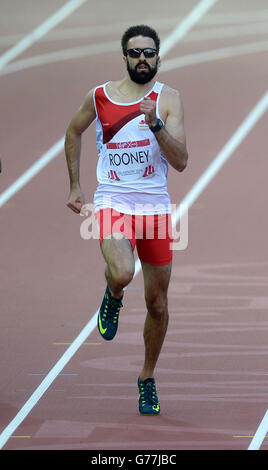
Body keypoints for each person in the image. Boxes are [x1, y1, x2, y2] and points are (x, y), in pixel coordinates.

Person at [65, 24, 188, 415]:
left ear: (157, 56)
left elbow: (181, 161)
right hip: (112, 200)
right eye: (135, 53)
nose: (142, 59)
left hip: (154, 209)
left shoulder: (168, 99)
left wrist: (155, 123)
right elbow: (72, 131)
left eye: (148, 53)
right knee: (121, 272)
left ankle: (147, 378)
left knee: (158, 304)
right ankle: (113, 295)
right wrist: (75, 185)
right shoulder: (100, 96)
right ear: (124, 57)